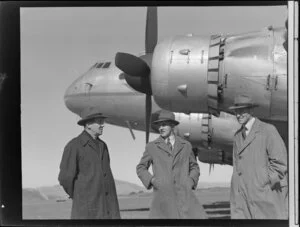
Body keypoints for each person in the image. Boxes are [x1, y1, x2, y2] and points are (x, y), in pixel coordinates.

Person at [136, 110, 207, 219]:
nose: (161, 128)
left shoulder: (186, 146)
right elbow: (141, 168)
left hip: (184, 196)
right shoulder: (152, 147)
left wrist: (190, 181)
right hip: (162, 197)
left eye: (164, 124)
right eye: (159, 125)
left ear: (172, 125)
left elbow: (194, 167)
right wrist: (152, 181)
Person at [229, 95, 288, 219]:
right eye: (236, 111)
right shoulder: (237, 136)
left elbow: (280, 164)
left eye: (242, 111)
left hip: (265, 197)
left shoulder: (268, 130)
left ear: (251, 111)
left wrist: (262, 182)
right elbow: (237, 168)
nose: (238, 115)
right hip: (242, 199)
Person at [58, 109, 120, 219]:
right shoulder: (74, 146)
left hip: (109, 208)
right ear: (88, 125)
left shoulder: (103, 146)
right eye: (99, 122)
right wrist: (79, 195)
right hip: (86, 210)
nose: (102, 125)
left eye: (102, 122)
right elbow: (65, 178)